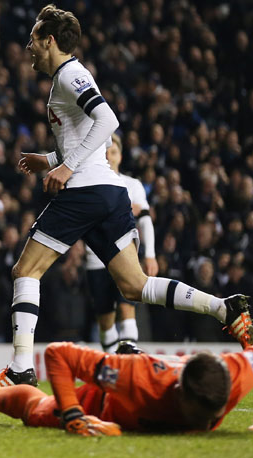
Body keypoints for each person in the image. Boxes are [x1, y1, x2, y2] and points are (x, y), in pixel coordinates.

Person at [0, 5, 253, 387]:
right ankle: (222, 308)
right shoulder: (65, 79)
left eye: (34, 38)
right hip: (108, 192)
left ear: (50, 41)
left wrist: (65, 168)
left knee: (25, 271)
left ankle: (20, 367)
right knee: (134, 285)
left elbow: (108, 121)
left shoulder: (71, 74)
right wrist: (50, 158)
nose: (28, 46)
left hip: (84, 191)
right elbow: (87, 139)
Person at [0, 338, 253, 435]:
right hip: (105, 401)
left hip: (138, 384)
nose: (205, 425)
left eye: (213, 416)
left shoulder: (235, 375)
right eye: (200, 416)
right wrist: (72, 415)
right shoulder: (135, 378)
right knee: (37, 411)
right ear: (179, 393)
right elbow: (58, 353)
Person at [86, 134, 157, 353]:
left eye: (113, 152)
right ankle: (110, 366)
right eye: (105, 152)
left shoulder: (132, 185)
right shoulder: (88, 185)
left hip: (126, 254)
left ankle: (128, 364)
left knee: (127, 308)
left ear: (120, 156)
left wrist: (150, 255)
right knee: (105, 319)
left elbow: (145, 220)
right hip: (95, 259)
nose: (109, 156)